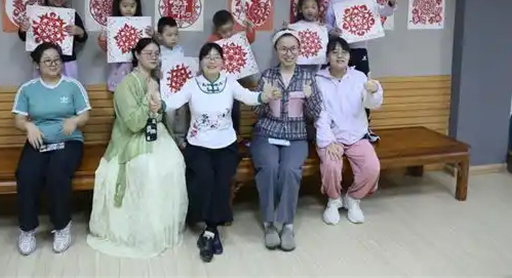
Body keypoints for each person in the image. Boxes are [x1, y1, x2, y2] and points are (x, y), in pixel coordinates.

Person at [164, 42, 279, 263]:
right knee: (204, 178)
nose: (212, 60)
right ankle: (211, 228)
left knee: (222, 180)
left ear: (223, 62)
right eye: (207, 57)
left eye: (216, 57)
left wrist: (264, 97)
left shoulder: (229, 82)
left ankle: (210, 231)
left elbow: (248, 97)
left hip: (226, 144)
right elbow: (173, 102)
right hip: (198, 145)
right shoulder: (192, 84)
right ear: (200, 62)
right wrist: (157, 104)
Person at [87, 38, 188, 258]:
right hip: (132, 137)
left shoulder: (157, 80)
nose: (153, 57)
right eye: (148, 53)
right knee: (148, 168)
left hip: (156, 133)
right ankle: (142, 231)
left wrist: (159, 106)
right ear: (137, 55)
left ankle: (162, 228)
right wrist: (148, 97)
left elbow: (160, 114)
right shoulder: (126, 84)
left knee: (174, 163)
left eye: (156, 53)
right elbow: (133, 123)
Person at [12, 42, 91, 255]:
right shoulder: (28, 89)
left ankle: (62, 226)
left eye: (56, 60)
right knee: (26, 174)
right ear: (37, 64)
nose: (53, 64)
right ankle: (27, 229)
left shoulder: (73, 86)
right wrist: (29, 126)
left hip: (69, 141)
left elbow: (85, 115)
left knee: (57, 173)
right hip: (39, 142)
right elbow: (18, 119)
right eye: (47, 61)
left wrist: (74, 121)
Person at [251, 29, 323, 251]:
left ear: (299, 50)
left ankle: (287, 225)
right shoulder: (268, 76)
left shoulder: (308, 77)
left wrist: (310, 98)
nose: (288, 53)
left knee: (290, 170)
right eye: (283, 49)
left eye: (293, 48)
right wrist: (264, 98)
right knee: (270, 168)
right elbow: (256, 110)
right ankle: (269, 224)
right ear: (276, 51)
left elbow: (315, 113)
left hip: (296, 136)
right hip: (267, 133)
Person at [314, 37, 383, 226]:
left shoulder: (359, 77)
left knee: (372, 167)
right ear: (327, 57)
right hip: (331, 136)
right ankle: (333, 200)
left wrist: (374, 90)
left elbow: (372, 104)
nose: (340, 56)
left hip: (357, 136)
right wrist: (329, 141)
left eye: (344, 52)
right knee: (331, 166)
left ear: (349, 56)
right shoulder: (318, 80)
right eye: (335, 52)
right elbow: (320, 115)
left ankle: (353, 199)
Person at [325, 0, 395, 141]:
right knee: (338, 89)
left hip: (359, 50)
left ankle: (365, 128)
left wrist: (391, 2)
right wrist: (332, 31)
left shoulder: (367, 0)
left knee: (364, 88)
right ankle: (337, 128)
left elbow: (385, 12)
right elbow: (326, 25)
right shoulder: (334, 1)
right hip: (339, 51)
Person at [18, 0, 88, 79]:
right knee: (42, 88)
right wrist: (23, 29)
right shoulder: (36, 13)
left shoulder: (71, 14)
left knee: (68, 87)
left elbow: (83, 37)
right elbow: (25, 37)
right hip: (43, 62)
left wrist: (80, 32)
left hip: (67, 62)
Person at [206, 10, 257, 135]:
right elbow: (206, 58)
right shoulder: (212, 41)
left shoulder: (237, 37)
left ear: (234, 24)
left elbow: (249, 39)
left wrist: (250, 29)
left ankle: (236, 134)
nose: (228, 34)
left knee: (235, 109)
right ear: (217, 30)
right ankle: (218, 134)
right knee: (218, 109)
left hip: (234, 83)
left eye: (230, 29)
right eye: (224, 32)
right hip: (218, 83)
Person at [97, 0, 153, 92]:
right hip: (118, 68)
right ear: (118, 7)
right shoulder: (112, 25)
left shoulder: (142, 25)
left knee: (138, 90)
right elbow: (106, 48)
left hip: (138, 66)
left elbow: (149, 47)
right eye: (125, 6)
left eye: (132, 6)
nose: (128, 9)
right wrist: (103, 37)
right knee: (121, 91)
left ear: (137, 7)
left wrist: (152, 35)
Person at [156, 16, 188, 143]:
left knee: (182, 112)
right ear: (160, 36)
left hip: (180, 89)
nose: (173, 38)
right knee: (169, 114)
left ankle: (180, 138)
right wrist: (157, 73)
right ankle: (170, 139)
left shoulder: (180, 50)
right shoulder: (158, 52)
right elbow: (155, 70)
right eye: (169, 35)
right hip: (166, 91)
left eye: (176, 34)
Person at [286, 0, 329, 75]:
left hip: (318, 68)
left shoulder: (322, 28)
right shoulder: (294, 27)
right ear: (300, 9)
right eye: (306, 7)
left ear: (318, 9)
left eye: (313, 7)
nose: (310, 10)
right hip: (298, 69)